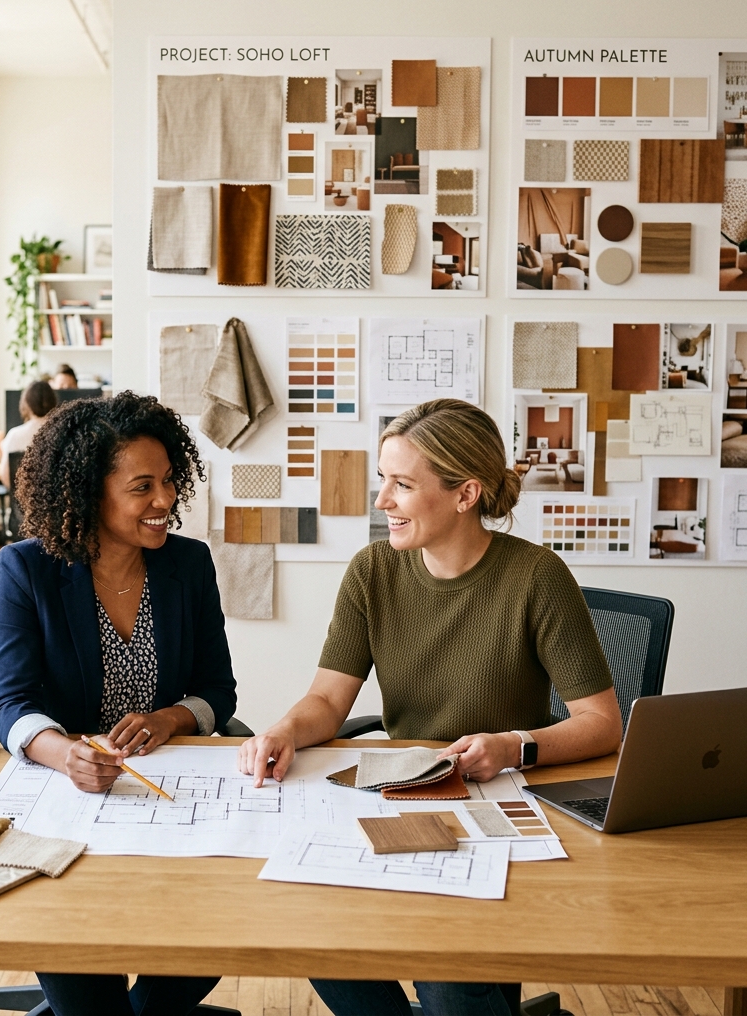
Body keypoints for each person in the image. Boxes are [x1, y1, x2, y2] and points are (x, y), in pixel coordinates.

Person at [238, 398, 622, 1016]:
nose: (382, 500)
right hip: (397, 797)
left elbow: (604, 725)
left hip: (494, 805)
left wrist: (514, 745)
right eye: (382, 481)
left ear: (465, 494)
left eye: (402, 485)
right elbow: (328, 701)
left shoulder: (536, 577)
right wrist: (284, 728)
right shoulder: (372, 571)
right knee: (312, 929)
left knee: (448, 981)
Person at [0, 390, 236, 1016]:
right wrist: (64, 752)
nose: (165, 501)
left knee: (214, 930)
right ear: (89, 493)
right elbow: (9, 702)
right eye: (142, 487)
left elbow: (218, 690)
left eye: (170, 482)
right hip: (67, 798)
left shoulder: (188, 564)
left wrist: (170, 718)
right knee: (81, 976)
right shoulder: (26, 570)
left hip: (170, 794)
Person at [0, 379, 58, 487]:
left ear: (26, 403)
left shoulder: (14, 435)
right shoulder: (61, 433)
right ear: (53, 402)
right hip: (53, 502)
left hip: (22, 502)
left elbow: (6, 479)